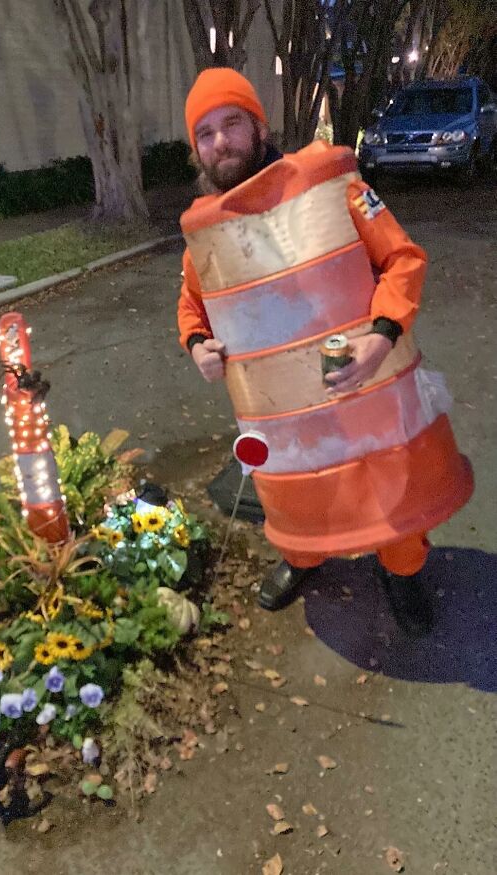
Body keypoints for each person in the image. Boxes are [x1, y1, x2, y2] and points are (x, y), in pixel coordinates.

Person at [177, 68, 473, 636]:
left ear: (257, 125)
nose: (220, 142)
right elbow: (192, 306)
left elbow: (402, 259)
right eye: (205, 134)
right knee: (294, 492)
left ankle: (403, 571)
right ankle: (303, 558)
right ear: (196, 151)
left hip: (366, 383)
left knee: (392, 490)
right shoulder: (206, 239)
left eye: (231, 123)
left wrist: (381, 334)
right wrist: (198, 346)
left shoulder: (334, 188)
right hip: (281, 415)